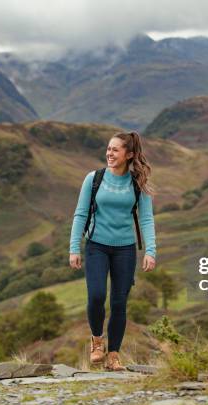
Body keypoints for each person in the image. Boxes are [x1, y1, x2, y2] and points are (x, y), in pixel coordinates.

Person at [69, 131, 156, 371]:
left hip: (125, 250)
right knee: (96, 295)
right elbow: (81, 213)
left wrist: (151, 250)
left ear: (129, 154)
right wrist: (74, 247)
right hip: (96, 245)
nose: (109, 153)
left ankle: (114, 355)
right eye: (108, 148)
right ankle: (97, 341)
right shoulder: (94, 178)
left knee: (119, 303)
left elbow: (146, 218)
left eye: (115, 150)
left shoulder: (138, 183)